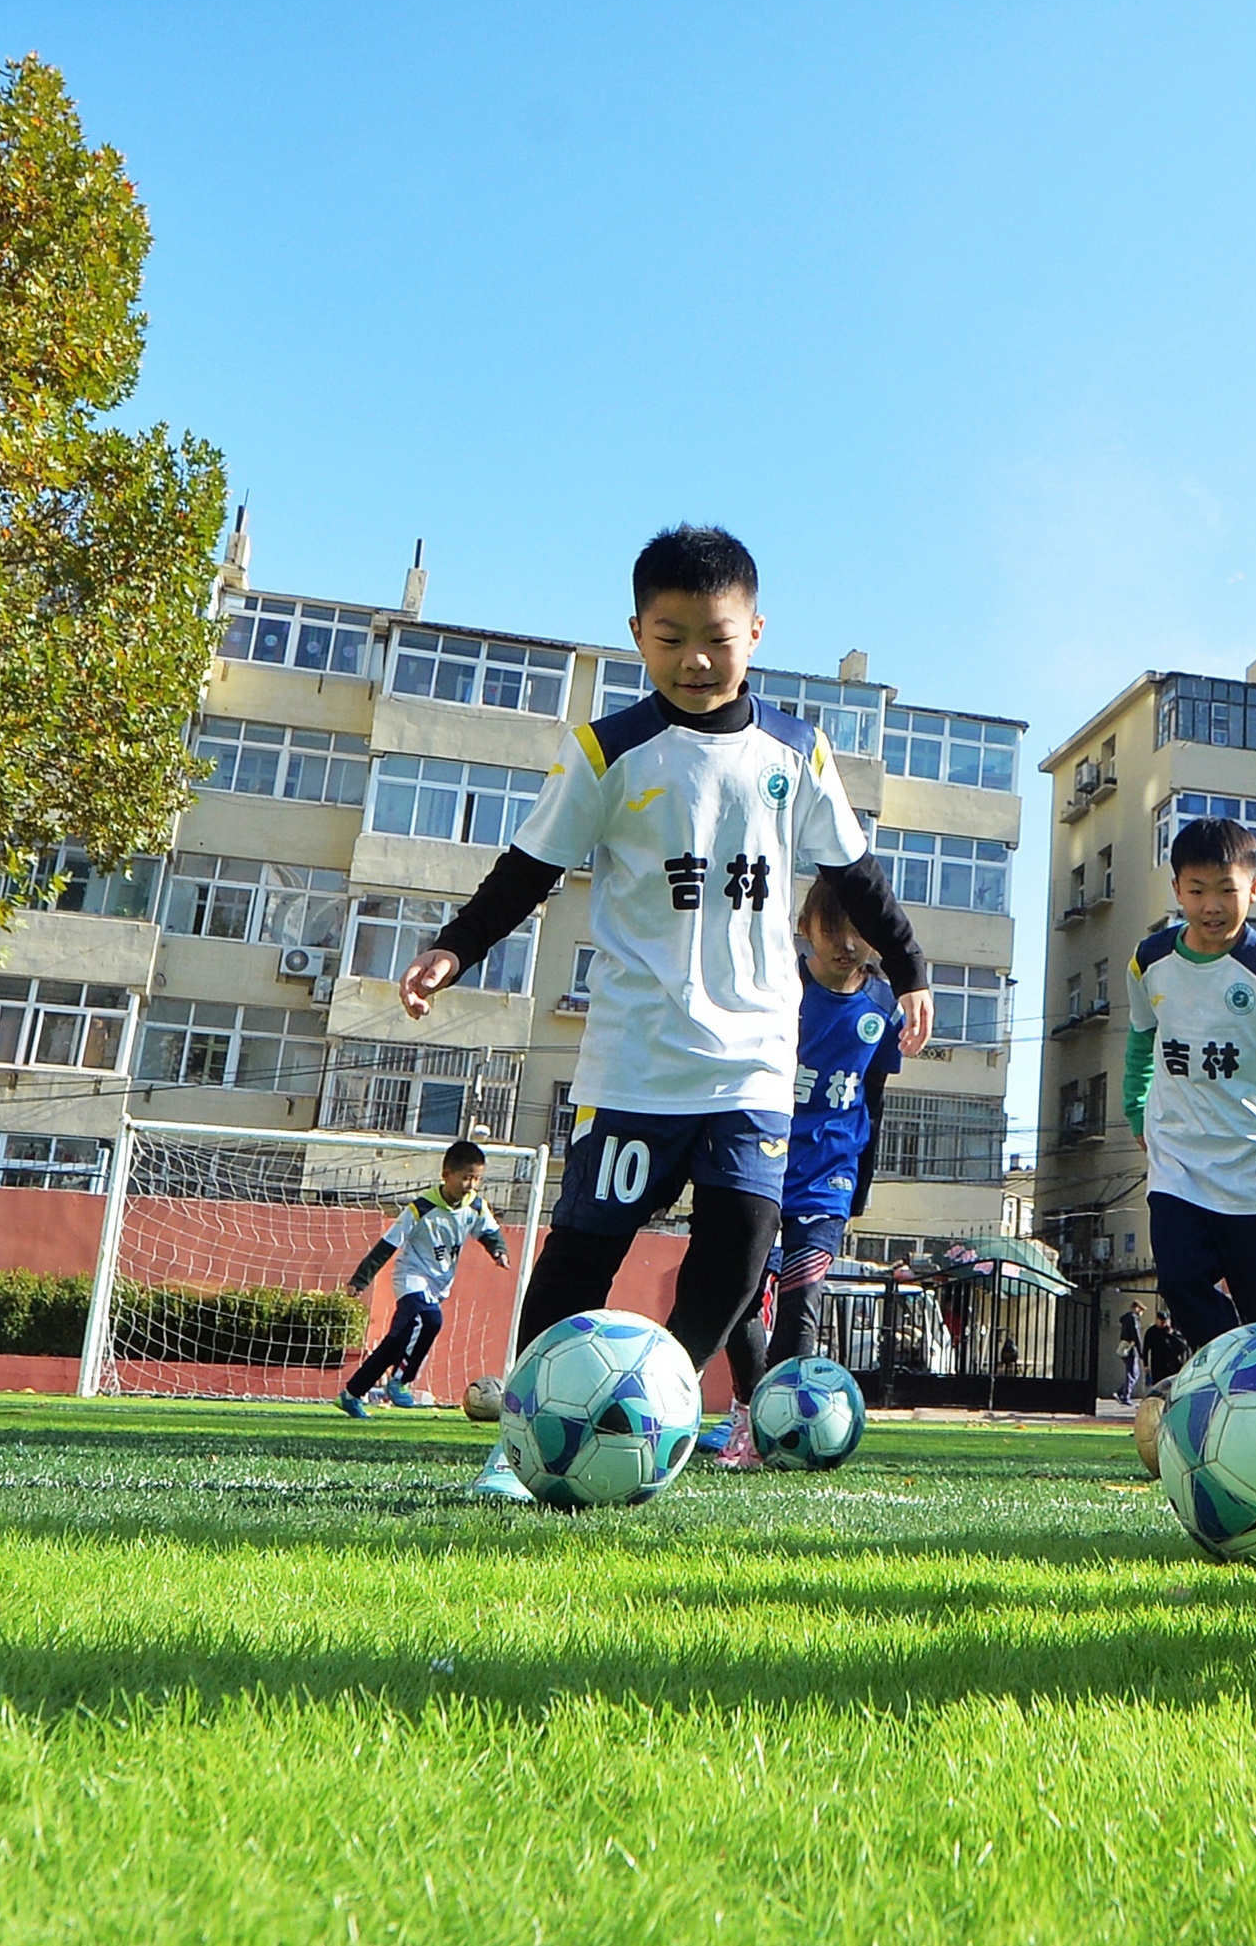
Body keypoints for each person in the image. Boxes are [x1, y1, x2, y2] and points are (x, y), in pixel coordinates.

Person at [399, 525, 931, 1503]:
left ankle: (651, 1418)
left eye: (718, 637)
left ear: (756, 634)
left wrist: (912, 968)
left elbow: (854, 874)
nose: (695, 659)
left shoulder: (797, 750)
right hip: (636, 1062)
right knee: (578, 1263)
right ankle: (521, 1445)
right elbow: (529, 868)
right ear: (637, 633)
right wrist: (453, 945)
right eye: (671, 635)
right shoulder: (607, 751)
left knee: (732, 1267)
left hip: (753, 1066)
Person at [714, 872, 904, 1467]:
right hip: (761, 1166)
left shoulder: (883, 1006)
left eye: (859, 930)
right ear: (804, 928)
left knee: (802, 1301)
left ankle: (782, 1432)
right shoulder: (780, 988)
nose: (846, 942)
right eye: (832, 927)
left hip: (829, 1178)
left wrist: (861, 1182)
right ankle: (748, 1412)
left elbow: (873, 1096)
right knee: (740, 1296)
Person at [1123, 814, 1256, 1353]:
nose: (1211, 906)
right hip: (1178, 1161)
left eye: (1226, 890)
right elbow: (1142, 1038)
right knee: (1180, 1281)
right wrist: (1135, 1105)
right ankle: (1236, 1375)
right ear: (1177, 891)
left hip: (1255, 1168)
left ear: (1254, 889)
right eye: (1196, 891)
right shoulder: (1150, 961)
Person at [337, 1137, 509, 1416]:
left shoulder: (475, 1205)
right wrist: (360, 1280)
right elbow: (388, 1244)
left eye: (477, 1179)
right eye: (466, 1178)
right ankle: (401, 1381)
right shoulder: (421, 1208)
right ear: (446, 1175)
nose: (471, 1185)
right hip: (411, 1278)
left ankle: (352, 1393)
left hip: (438, 1283)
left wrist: (498, 1251)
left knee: (395, 1342)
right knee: (430, 1319)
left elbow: (489, 1231)